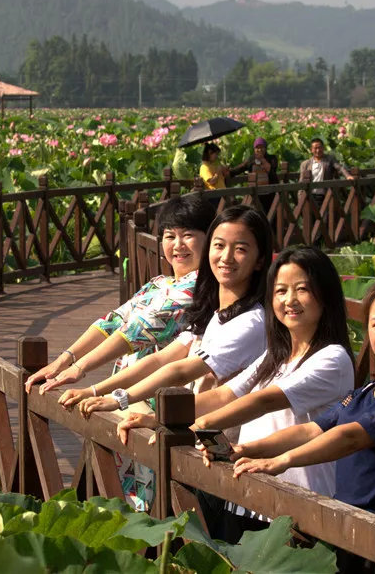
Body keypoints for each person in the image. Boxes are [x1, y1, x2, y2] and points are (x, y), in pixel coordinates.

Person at [117, 246, 354, 543]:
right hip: (248, 498)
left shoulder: (332, 358)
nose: (289, 300)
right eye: (280, 291)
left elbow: (263, 401)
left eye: (302, 289)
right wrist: (158, 419)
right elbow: (225, 396)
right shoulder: (277, 356)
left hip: (297, 512)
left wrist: (196, 427)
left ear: (326, 295)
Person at [57, 205, 272, 511]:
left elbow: (181, 370)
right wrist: (95, 388)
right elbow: (159, 358)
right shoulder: (215, 314)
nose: (225, 257)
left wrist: (115, 397)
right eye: (220, 246)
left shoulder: (249, 321)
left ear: (260, 259)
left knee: (190, 529)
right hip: (200, 441)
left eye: (240, 249)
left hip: (218, 451)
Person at [228, 277, 375, 534]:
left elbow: (352, 437)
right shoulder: (367, 390)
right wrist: (247, 449)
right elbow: (311, 430)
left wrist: (283, 461)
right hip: (350, 529)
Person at [24, 196, 216, 395]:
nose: (178, 245)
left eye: (187, 235)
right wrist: (63, 361)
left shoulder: (197, 287)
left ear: (210, 238)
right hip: (127, 393)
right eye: (170, 236)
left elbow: (138, 330)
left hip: (161, 400)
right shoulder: (159, 283)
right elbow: (113, 321)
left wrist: (79, 369)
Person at [298, 137, 352, 209]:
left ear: (323, 148)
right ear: (311, 150)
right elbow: (301, 181)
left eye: (320, 147)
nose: (318, 150)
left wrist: (347, 176)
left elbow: (339, 168)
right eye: (315, 148)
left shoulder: (330, 159)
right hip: (310, 195)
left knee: (325, 218)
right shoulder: (305, 164)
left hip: (326, 194)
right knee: (311, 218)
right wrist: (300, 197)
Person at [230, 137, 279, 212]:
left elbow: (272, 170)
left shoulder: (272, 158)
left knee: (271, 214)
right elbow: (241, 168)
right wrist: (228, 172)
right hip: (256, 194)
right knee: (256, 214)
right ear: (254, 149)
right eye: (257, 148)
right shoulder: (251, 159)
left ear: (265, 148)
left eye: (262, 147)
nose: (259, 150)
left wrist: (262, 160)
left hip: (270, 192)